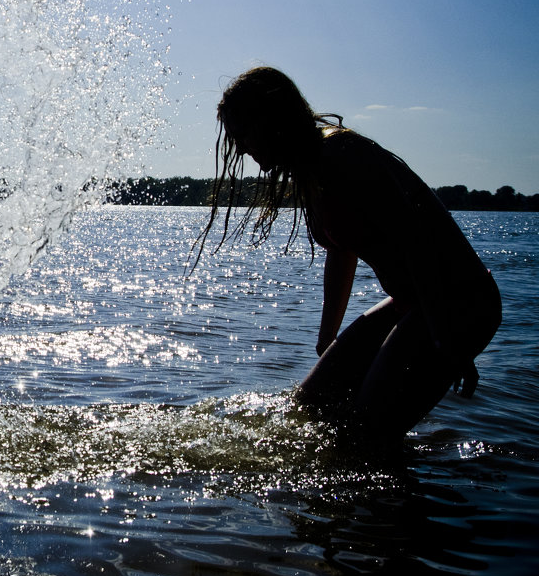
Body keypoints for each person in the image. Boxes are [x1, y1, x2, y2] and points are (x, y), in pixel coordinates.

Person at [192, 66, 500, 448]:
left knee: (362, 435)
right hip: (414, 302)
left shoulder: (341, 154)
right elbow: (342, 250)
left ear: (270, 119)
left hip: (458, 300)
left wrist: (445, 336)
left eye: (243, 133)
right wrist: (328, 337)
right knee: (308, 409)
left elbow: (415, 240)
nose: (238, 147)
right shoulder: (309, 170)